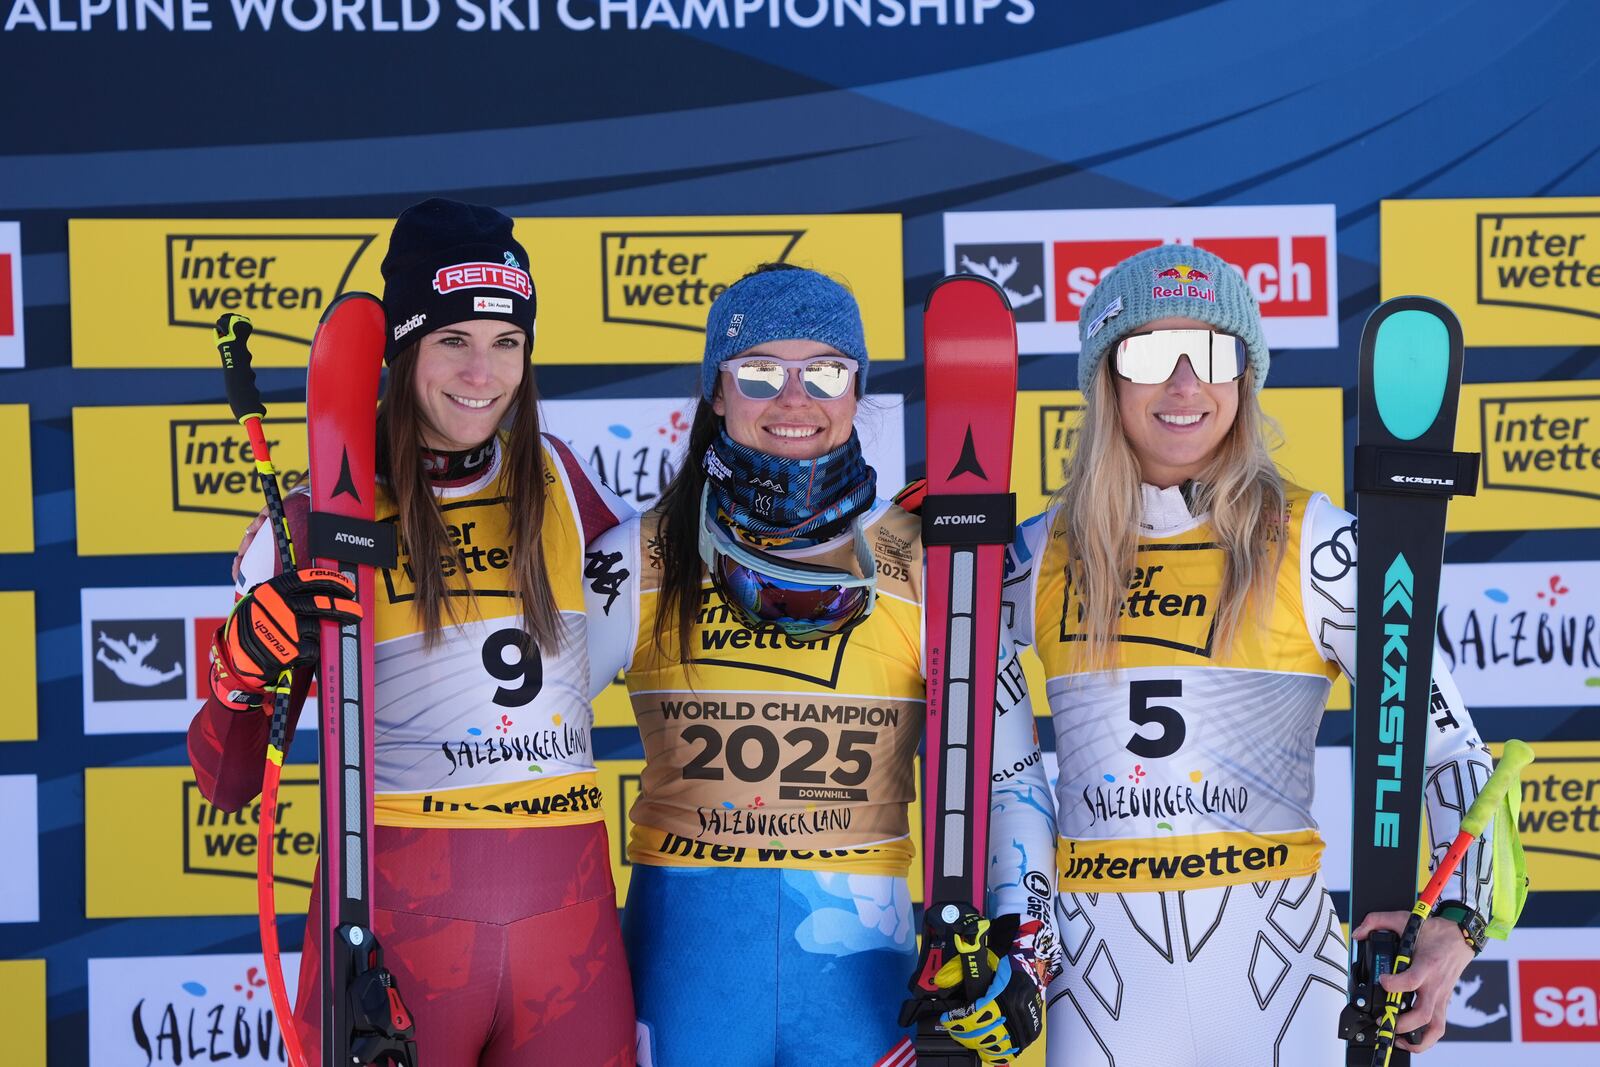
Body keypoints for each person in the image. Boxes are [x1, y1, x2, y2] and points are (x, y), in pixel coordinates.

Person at [1001, 244, 1520, 1066]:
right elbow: (985, 756)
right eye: (1147, 353)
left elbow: (1449, 745)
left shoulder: (1320, 544)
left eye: (1212, 352)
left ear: (1244, 377)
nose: (1183, 383)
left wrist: (1462, 920)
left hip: (1279, 969)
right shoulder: (1036, 558)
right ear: (1106, 376)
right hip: (1101, 973)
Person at [188, 198, 637, 1067]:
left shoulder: (563, 484)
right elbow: (229, 779)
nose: (484, 373)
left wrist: (885, 547)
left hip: (571, 942)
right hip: (398, 935)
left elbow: (679, 604)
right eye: (454, 341)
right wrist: (239, 673)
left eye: (507, 342)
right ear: (402, 346)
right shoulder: (310, 519)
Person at [580, 263, 1060, 1067]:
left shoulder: (931, 566)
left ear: (856, 391)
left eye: (826, 372)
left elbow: (1009, 783)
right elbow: (524, 740)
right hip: (688, 989)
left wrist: (1027, 957)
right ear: (717, 392)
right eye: (761, 372)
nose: (794, 399)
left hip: (864, 999)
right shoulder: (645, 557)